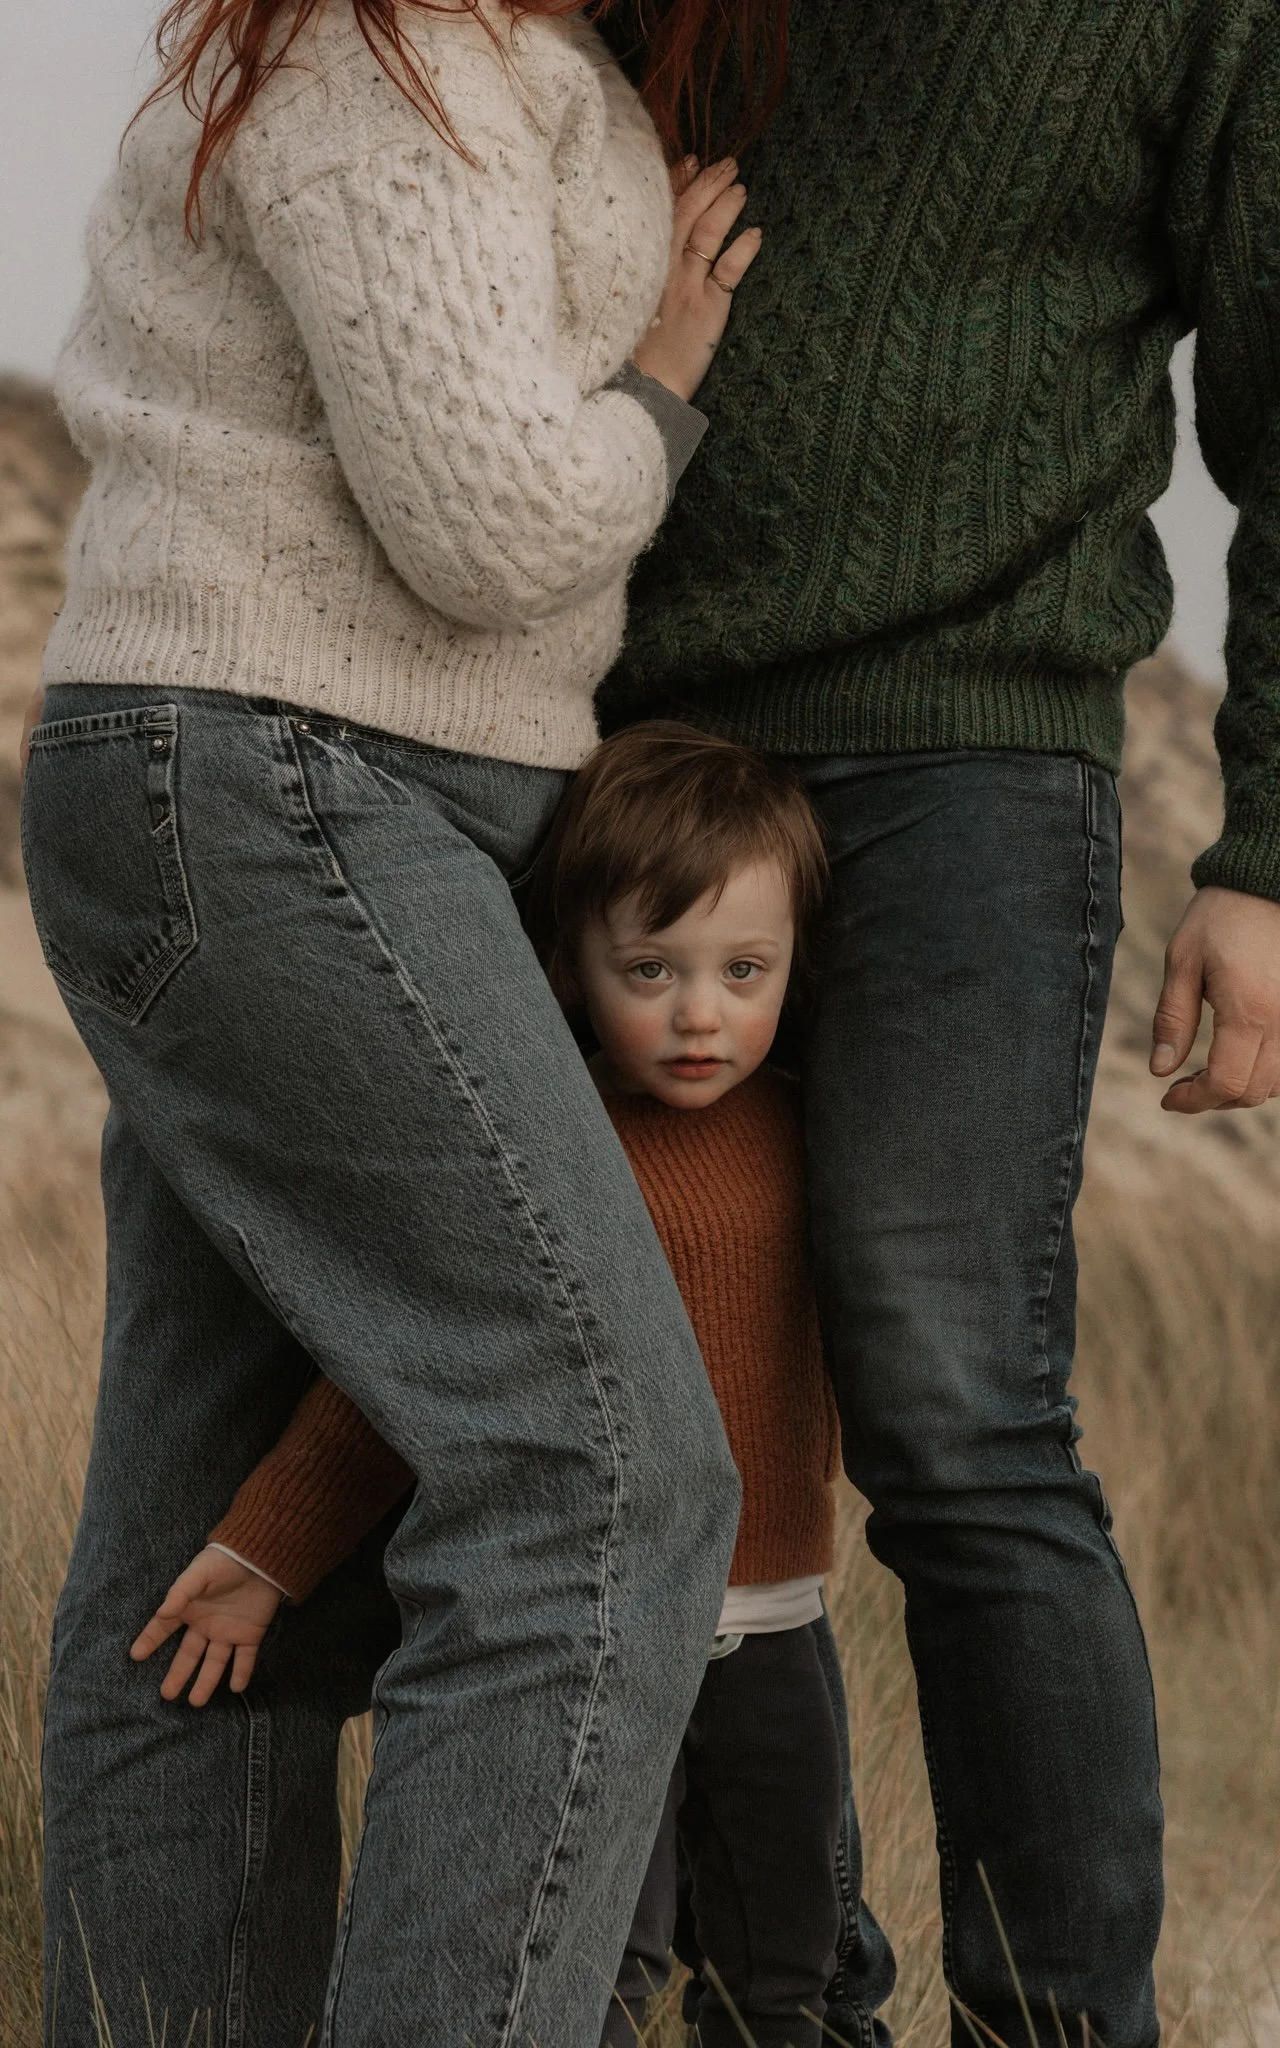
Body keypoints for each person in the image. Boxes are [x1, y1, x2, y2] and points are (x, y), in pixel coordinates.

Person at [590, 3, 1280, 2044]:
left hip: (971, 746)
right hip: (620, 740)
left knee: (951, 1412)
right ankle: (774, 1997)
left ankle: (1050, 2027)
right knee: (630, 1411)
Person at [18, 3, 780, 2042]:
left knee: (204, 1549)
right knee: (599, 1473)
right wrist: (669, 380)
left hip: (320, 789)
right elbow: (495, 522)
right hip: (287, 778)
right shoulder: (381, 50)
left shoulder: (518, 54)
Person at [128, 723, 878, 2048]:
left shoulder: (825, 1134)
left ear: (794, 966)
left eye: (742, 971)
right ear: (576, 969)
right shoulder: (548, 1157)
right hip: (605, 1633)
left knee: (787, 1975)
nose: (701, 1013)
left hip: (775, 1631)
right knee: (599, 1964)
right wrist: (268, 1544)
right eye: (651, 969)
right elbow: (416, 1368)